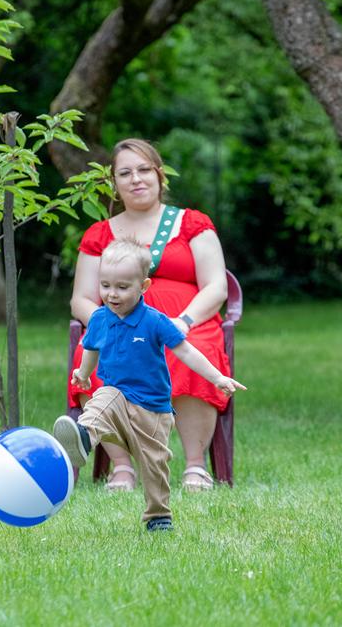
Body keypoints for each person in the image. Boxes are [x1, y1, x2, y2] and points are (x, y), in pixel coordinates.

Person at [68, 138, 233, 493]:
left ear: (159, 175)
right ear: (114, 182)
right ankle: (122, 468)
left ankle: (195, 466)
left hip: (185, 323)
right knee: (90, 355)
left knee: (192, 353)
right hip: (119, 324)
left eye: (144, 170)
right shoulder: (99, 234)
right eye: (125, 173)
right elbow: (81, 298)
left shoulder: (192, 224)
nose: (136, 179)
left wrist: (184, 322)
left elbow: (216, 287)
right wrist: (108, 326)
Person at [54, 238, 245, 531]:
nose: (112, 294)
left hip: (152, 410)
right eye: (105, 285)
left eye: (122, 287)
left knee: (154, 465)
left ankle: (158, 515)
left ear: (143, 286)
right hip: (117, 399)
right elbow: (91, 348)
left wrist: (217, 377)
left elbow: (186, 351)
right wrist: (83, 372)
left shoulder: (154, 321)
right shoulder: (100, 318)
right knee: (103, 398)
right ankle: (83, 435)